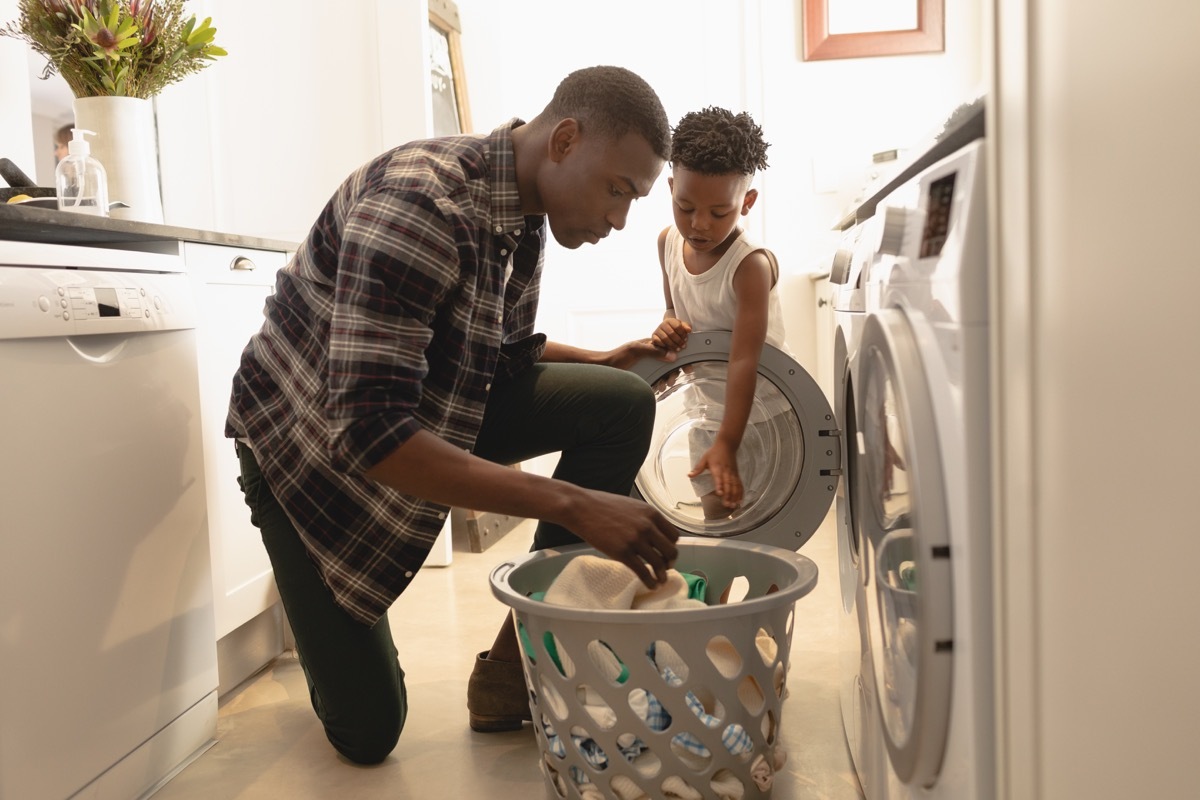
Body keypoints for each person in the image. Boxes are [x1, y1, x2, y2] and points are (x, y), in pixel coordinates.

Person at [224, 65, 681, 764]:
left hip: (411, 406)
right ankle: (302, 577)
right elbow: (372, 431)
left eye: (634, 200)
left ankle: (519, 664)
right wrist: (576, 504)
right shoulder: (421, 205)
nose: (620, 220)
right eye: (618, 189)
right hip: (307, 443)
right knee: (369, 732)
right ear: (564, 140)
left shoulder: (524, 210)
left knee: (619, 403)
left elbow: (490, 349)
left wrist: (604, 360)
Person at [649, 106, 789, 519]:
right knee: (715, 517)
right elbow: (673, 309)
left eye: (718, 212)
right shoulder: (667, 244)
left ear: (746, 202)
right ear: (672, 187)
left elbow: (746, 357)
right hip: (707, 410)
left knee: (761, 525)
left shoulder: (751, 266)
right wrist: (667, 329)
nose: (699, 225)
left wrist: (728, 441)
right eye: (685, 206)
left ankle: (770, 587)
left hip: (765, 416)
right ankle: (715, 587)